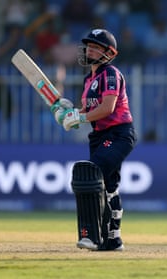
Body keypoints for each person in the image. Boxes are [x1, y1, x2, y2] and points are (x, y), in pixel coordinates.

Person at [54, 29, 137, 251]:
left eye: (96, 47)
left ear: (108, 53)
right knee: (109, 187)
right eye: (88, 46)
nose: (89, 49)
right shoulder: (89, 78)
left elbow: (107, 108)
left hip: (118, 133)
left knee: (90, 173)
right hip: (99, 136)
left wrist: (79, 117)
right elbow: (88, 110)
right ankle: (113, 239)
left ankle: (90, 235)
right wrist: (69, 111)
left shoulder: (111, 73)